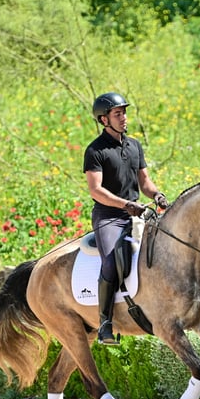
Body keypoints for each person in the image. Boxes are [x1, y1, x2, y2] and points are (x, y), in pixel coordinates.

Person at [83, 92, 168, 345]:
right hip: (109, 218)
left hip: (137, 214)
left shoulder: (134, 146)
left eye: (124, 113)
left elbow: (144, 182)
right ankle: (105, 323)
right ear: (103, 119)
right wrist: (126, 204)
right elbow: (96, 190)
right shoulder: (95, 150)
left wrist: (157, 195)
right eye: (117, 114)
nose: (124, 118)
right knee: (110, 263)